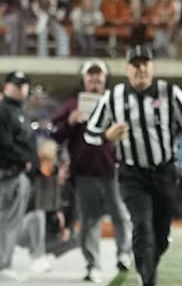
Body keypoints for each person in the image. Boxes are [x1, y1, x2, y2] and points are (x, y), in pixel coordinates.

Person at [83, 45, 182, 286]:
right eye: (135, 64)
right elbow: (90, 132)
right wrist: (106, 136)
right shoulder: (113, 96)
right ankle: (147, 280)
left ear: (153, 67)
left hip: (164, 172)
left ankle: (149, 262)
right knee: (142, 228)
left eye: (145, 64)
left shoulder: (170, 93)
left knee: (160, 236)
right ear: (126, 69)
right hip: (132, 174)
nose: (140, 69)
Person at [50, 60, 133, 283]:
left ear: (106, 78)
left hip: (115, 169)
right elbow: (55, 133)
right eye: (91, 75)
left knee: (121, 215)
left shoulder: (118, 102)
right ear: (83, 79)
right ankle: (92, 264)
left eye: (99, 75)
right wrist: (69, 121)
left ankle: (124, 252)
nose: (95, 79)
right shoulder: (72, 104)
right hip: (84, 172)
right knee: (90, 220)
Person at [0, 71, 36, 282]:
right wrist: (24, 158)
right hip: (7, 173)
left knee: (10, 221)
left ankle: (5, 261)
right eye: (16, 84)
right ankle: (3, 263)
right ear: (7, 86)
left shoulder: (20, 112)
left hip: (17, 174)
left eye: (23, 85)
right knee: (7, 221)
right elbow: (3, 143)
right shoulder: (4, 110)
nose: (20, 88)